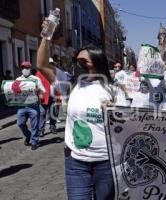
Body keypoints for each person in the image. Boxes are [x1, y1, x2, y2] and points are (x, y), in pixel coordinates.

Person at [37, 22, 114, 199]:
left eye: (83, 62)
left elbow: (128, 124)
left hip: (106, 163)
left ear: (96, 63)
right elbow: (42, 65)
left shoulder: (114, 89)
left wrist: (114, 111)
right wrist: (46, 36)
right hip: (76, 162)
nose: (78, 65)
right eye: (76, 61)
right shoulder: (69, 83)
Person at [15, 61, 46, 150]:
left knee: (34, 125)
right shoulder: (18, 79)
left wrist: (38, 89)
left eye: (27, 68)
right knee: (20, 123)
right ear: (21, 69)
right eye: (23, 67)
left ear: (30, 69)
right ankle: (28, 135)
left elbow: (43, 90)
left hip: (33, 106)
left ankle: (34, 141)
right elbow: (14, 91)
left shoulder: (36, 79)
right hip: (22, 105)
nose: (25, 69)